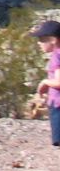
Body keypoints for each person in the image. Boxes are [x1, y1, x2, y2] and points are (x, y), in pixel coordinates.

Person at [32, 19, 60, 147]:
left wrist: (45, 83)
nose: (39, 43)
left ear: (53, 40)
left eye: (42, 40)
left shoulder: (57, 56)